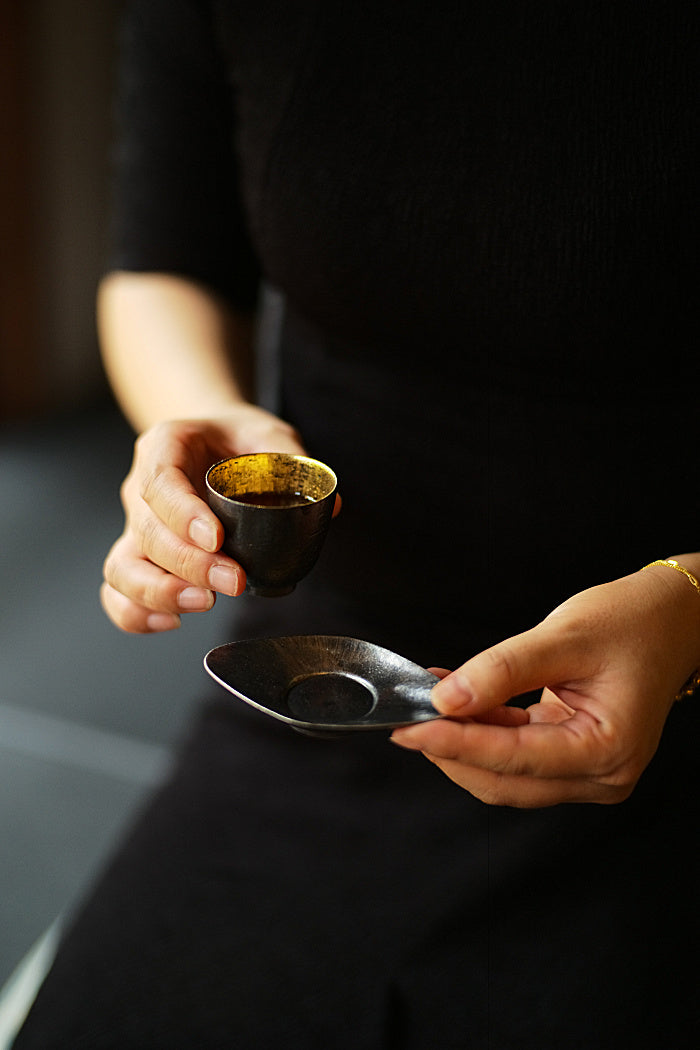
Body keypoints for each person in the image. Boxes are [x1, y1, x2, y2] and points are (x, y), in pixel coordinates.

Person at [13, 1, 700, 1046]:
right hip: (327, 676)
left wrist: (693, 607)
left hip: (672, 675)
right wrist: (209, 426)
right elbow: (165, 267)